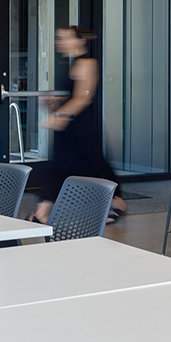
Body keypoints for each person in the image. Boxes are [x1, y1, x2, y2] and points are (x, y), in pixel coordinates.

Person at [32, 26, 126, 225]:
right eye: (59, 38)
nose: (61, 42)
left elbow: (84, 97)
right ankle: (42, 214)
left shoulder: (87, 63)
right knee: (57, 169)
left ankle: (113, 204)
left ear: (79, 41)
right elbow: (71, 96)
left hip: (82, 131)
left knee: (91, 168)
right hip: (69, 131)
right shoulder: (71, 64)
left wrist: (59, 114)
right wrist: (54, 103)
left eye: (65, 38)